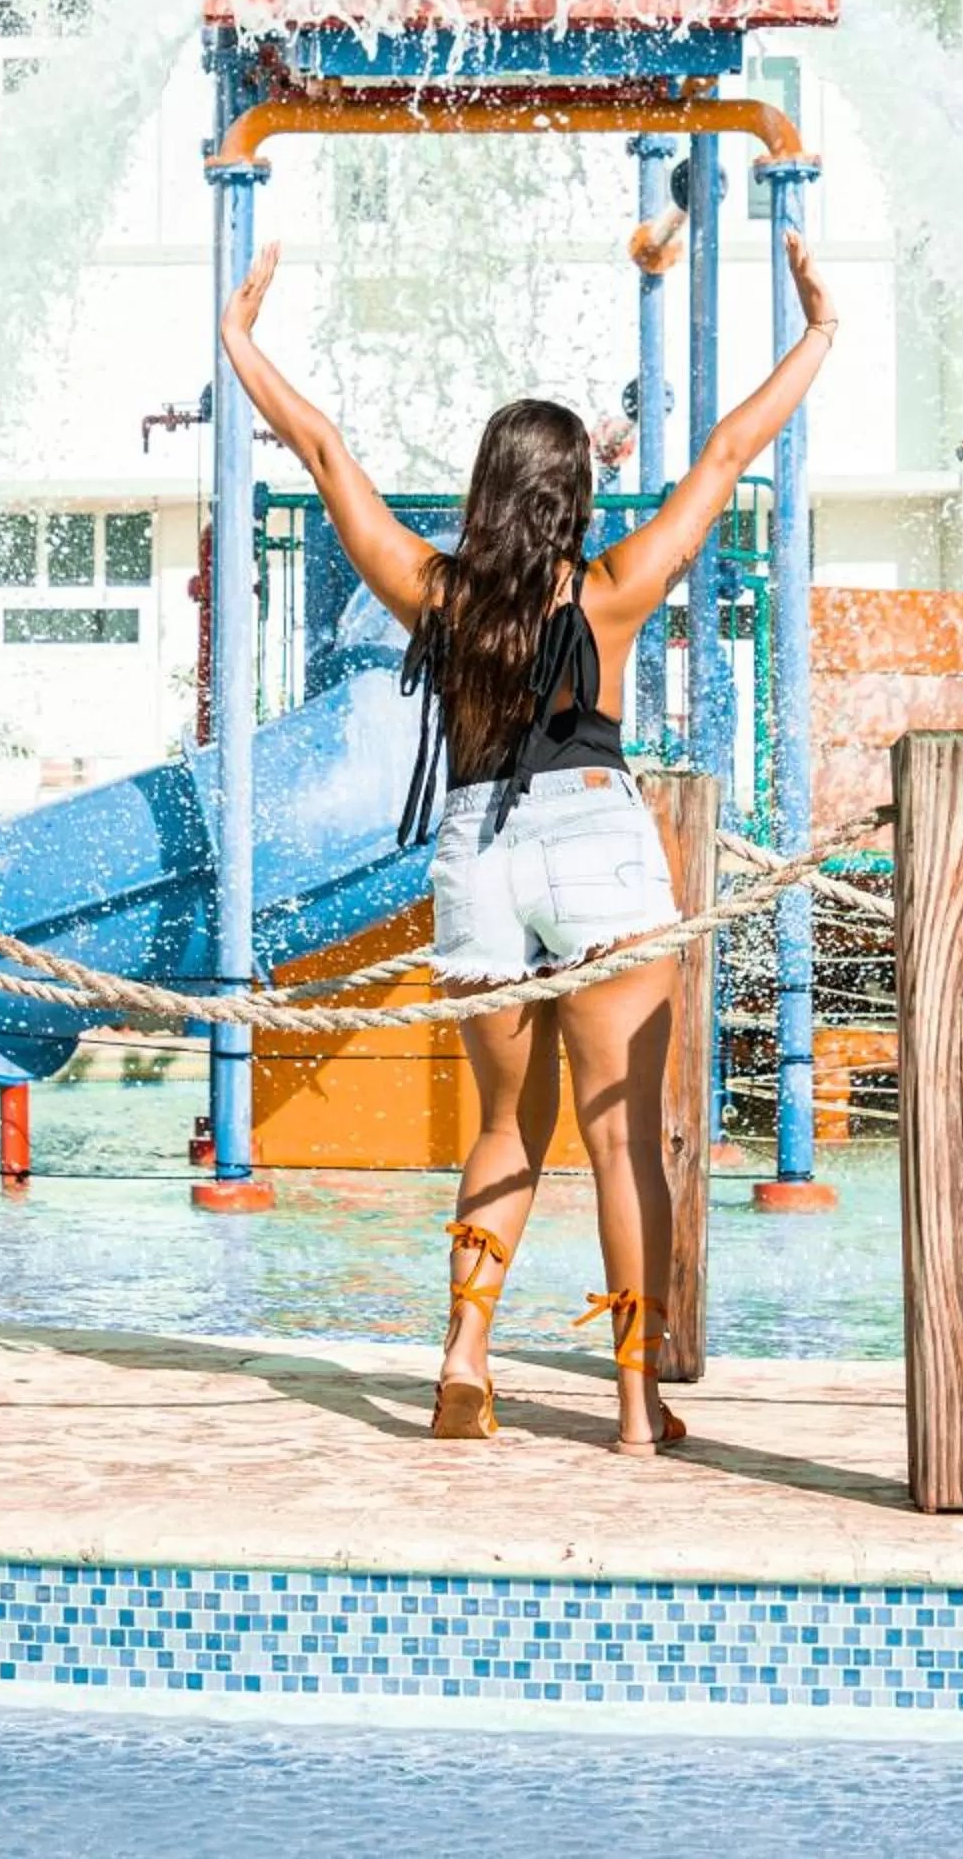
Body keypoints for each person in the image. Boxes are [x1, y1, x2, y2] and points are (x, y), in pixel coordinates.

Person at [218, 225, 839, 1452]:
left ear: (488, 490)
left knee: (507, 1126)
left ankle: (463, 1353)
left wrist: (242, 341)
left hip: (475, 853)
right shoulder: (611, 591)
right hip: (596, 847)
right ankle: (631, 1403)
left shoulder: (432, 593)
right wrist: (816, 332)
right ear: (576, 497)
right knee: (622, 1140)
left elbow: (327, 451)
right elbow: (724, 456)